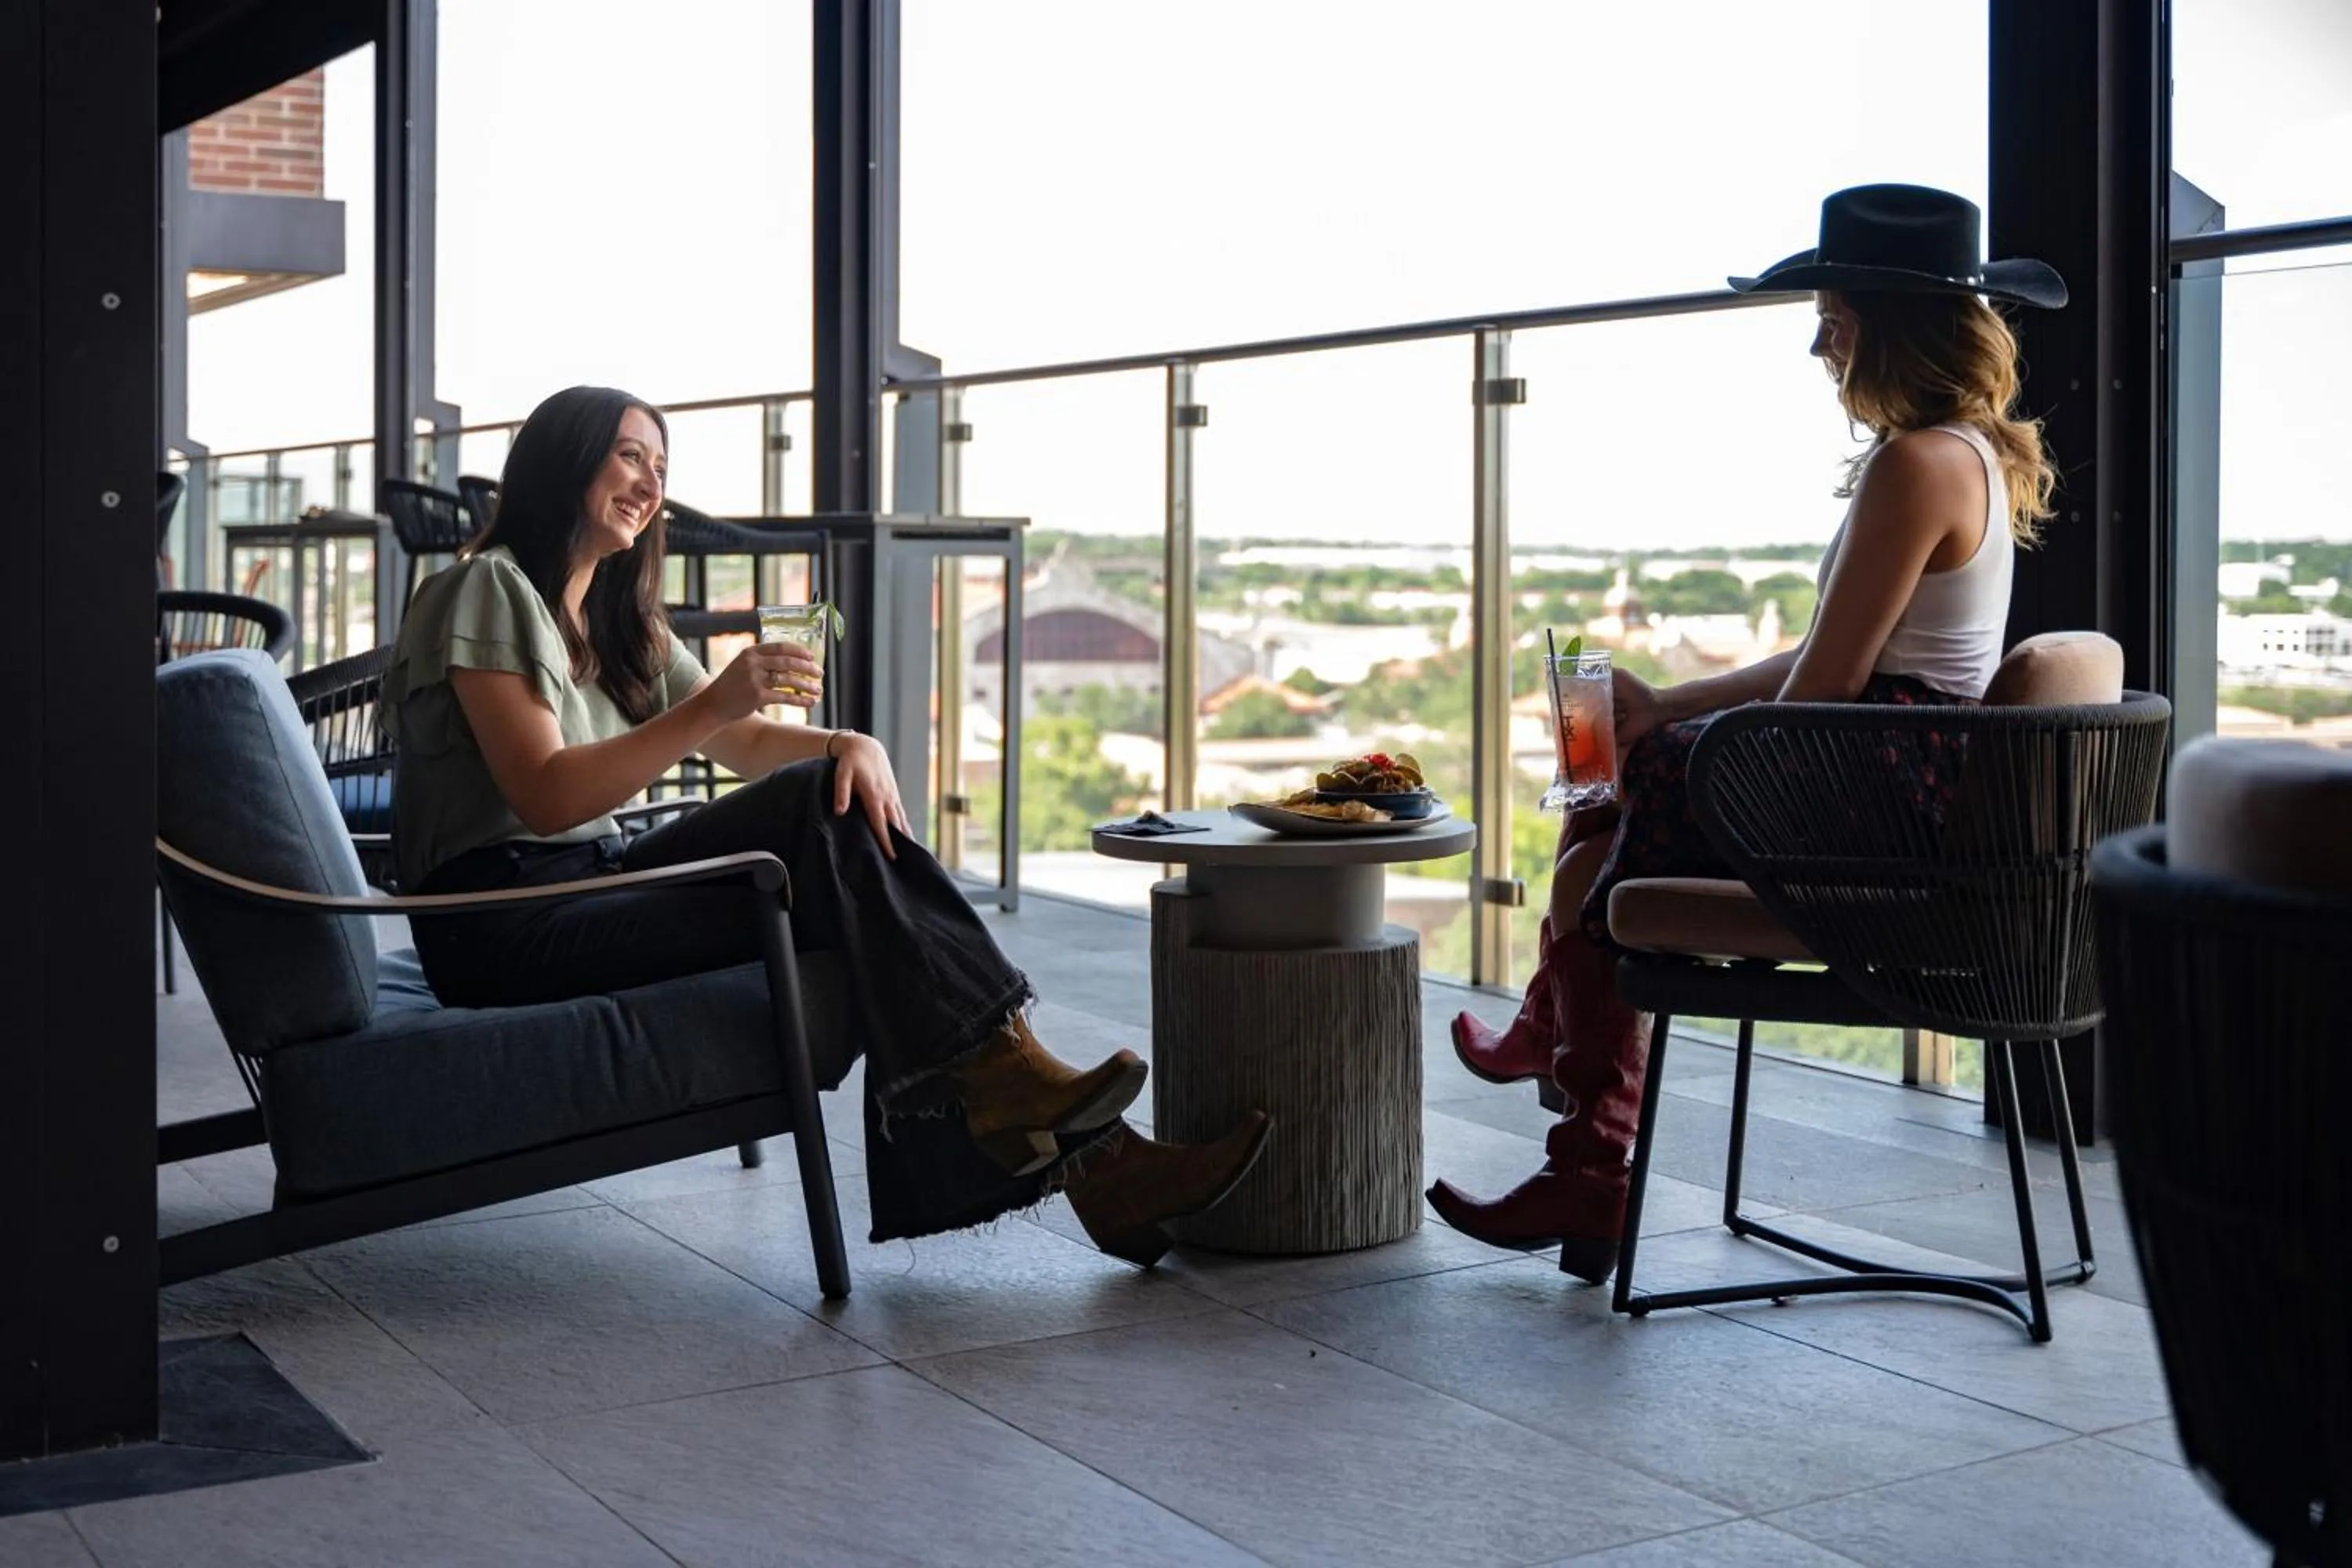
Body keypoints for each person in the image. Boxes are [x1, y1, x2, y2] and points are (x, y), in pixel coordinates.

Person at [383, 384, 1269, 1264]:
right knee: (824, 821)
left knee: (836, 816)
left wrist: (851, 740)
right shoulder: (483, 587)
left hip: (592, 882)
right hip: (497, 924)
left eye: (661, 464)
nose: (650, 482)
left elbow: (750, 738)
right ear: (562, 459)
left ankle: (1079, 1145)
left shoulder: (617, 619)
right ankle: (1037, 1098)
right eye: (629, 455)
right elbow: (545, 795)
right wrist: (717, 707)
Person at [1429, 184, 2067, 1283]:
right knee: (1608, 788)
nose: (1819, 343)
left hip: (1883, 782)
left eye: (1832, 315)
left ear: (1883, 324)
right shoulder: (1960, 453)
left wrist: (1663, 740)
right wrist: (1667, 705)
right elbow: (1842, 659)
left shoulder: (1915, 467)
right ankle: (1577, 1140)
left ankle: (1570, 1090)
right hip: (1896, 762)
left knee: (1612, 781)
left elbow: (1824, 688)